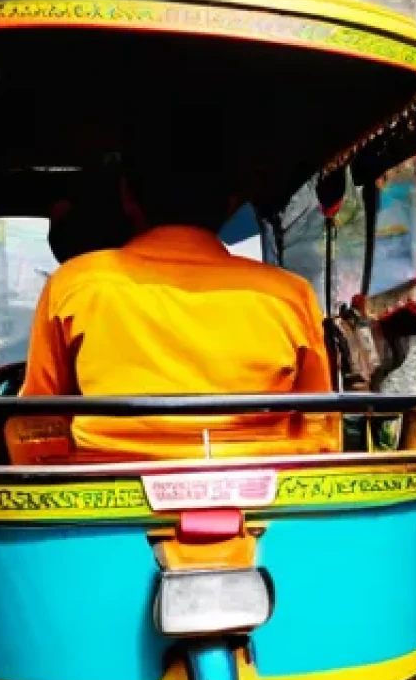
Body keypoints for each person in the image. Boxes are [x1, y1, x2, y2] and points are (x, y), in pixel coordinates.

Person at [21, 121, 336, 462]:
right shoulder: (290, 295)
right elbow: (320, 432)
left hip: (105, 499)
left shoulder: (75, 284)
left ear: (128, 196)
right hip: (268, 499)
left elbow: (36, 427)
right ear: (231, 203)